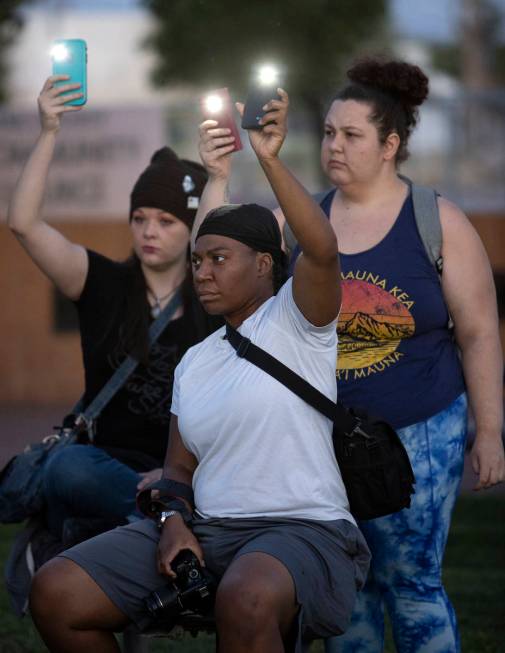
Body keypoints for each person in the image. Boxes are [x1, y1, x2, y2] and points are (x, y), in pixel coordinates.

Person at [28, 89, 370, 653]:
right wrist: (174, 525)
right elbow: (177, 469)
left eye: (218, 259)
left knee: (246, 598)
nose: (202, 273)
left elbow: (324, 248)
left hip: (299, 529)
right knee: (56, 591)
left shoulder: (299, 321)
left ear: (264, 265)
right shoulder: (197, 359)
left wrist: (267, 156)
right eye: (197, 260)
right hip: (206, 528)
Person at [272, 58, 504, 652]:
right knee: (347, 591)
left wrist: (491, 433)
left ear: (389, 145)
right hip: (326, 441)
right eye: (328, 132)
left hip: (422, 433)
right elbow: (215, 251)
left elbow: (478, 332)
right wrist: (228, 168)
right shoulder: (306, 219)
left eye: (351, 135)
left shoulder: (438, 220)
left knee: (413, 586)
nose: (334, 146)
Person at [7, 75, 219, 549]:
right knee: (69, 468)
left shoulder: (213, 298)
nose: (149, 230)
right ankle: (162, 523)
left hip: (187, 468)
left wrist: (172, 474)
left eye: (166, 221)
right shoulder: (101, 282)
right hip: (105, 468)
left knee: (225, 478)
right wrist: (48, 130)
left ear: (192, 230)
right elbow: (23, 222)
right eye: (139, 217)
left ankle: (156, 520)